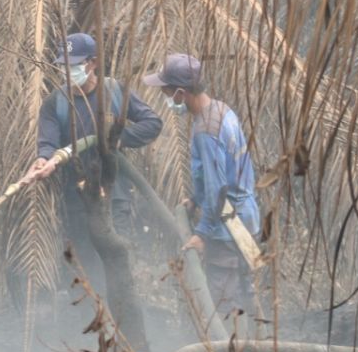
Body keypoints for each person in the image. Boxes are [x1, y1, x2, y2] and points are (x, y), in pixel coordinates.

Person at [19, 32, 163, 279]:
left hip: (114, 194)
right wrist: (44, 160)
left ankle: (121, 314)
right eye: (64, 65)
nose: (68, 70)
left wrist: (117, 138)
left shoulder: (115, 91)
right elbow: (48, 143)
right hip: (77, 199)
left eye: (74, 64)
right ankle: (90, 314)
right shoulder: (56, 103)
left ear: (93, 62)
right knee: (84, 269)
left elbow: (152, 123)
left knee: (117, 264)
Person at [143, 53, 260, 319]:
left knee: (224, 300)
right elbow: (216, 173)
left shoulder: (206, 130)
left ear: (181, 93)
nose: (166, 98)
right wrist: (195, 198)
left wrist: (202, 233)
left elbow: (218, 188)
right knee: (246, 290)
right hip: (247, 218)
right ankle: (257, 345)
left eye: (167, 92)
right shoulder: (221, 110)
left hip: (228, 227)